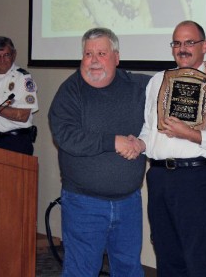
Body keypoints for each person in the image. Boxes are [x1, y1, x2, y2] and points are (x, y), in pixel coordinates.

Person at [136, 20, 206, 277]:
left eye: (189, 42)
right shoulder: (157, 82)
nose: (182, 48)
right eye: (177, 43)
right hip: (159, 177)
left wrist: (194, 136)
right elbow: (148, 129)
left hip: (197, 179)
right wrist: (138, 143)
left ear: (204, 46)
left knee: (202, 259)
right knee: (167, 255)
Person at [48, 27, 151, 277]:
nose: (93, 60)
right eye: (87, 54)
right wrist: (112, 142)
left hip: (128, 202)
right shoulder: (70, 90)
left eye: (101, 53)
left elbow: (174, 85)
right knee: (81, 271)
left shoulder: (139, 85)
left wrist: (204, 70)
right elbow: (66, 136)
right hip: (83, 203)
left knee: (129, 269)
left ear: (116, 57)